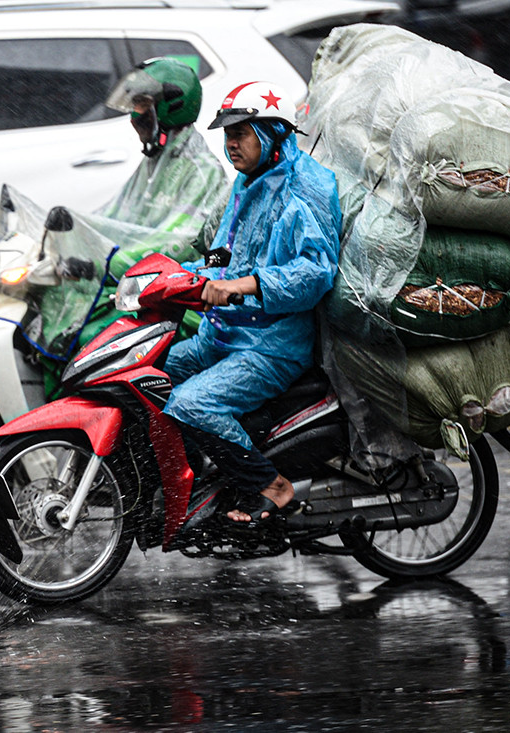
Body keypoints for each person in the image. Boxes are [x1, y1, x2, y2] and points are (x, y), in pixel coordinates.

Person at [161, 81, 341, 524]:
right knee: (149, 377)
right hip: (222, 335)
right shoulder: (248, 182)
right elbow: (226, 253)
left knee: (190, 404)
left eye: (240, 133)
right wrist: (181, 273)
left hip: (271, 345)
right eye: (227, 134)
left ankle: (270, 485)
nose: (231, 143)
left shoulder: (304, 187)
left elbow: (316, 271)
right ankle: (198, 477)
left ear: (272, 133)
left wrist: (247, 285)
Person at [38, 57, 227, 396]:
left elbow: (179, 242)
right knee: (55, 311)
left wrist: (105, 261)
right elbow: (116, 217)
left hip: (175, 298)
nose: (135, 116)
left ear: (169, 106)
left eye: (142, 104)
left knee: (87, 337)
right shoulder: (154, 163)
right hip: (134, 287)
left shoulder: (201, 170)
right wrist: (75, 230)